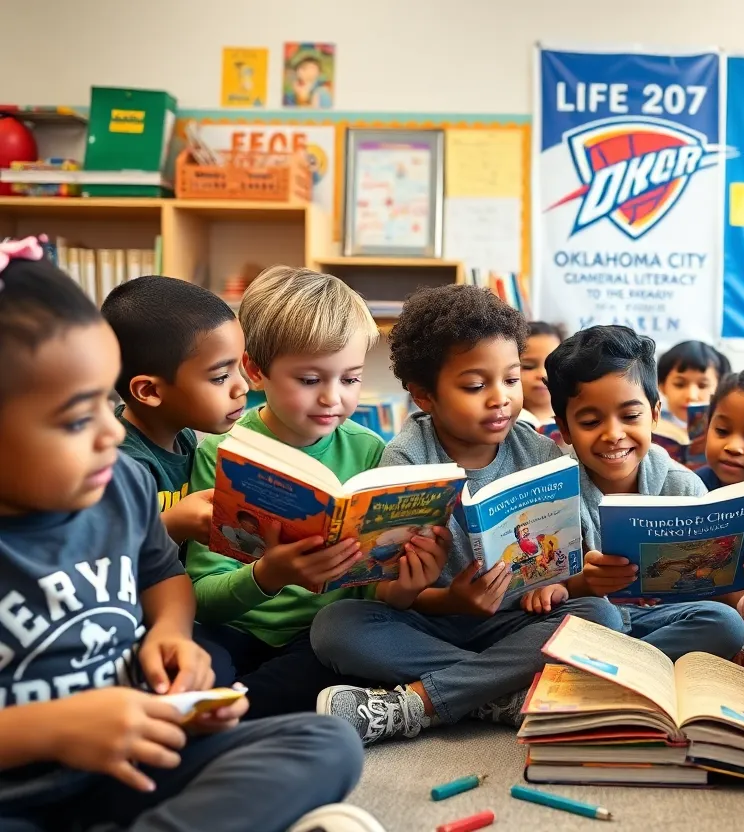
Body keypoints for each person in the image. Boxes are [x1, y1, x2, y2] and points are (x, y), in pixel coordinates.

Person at [0, 240, 376, 832]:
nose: (109, 432)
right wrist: (61, 727)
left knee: (325, 742)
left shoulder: (120, 482)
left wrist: (172, 636)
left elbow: (166, 579)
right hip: (19, 788)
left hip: (131, 756)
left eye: (106, 401)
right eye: (76, 418)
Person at [310, 285, 621, 745]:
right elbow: (390, 595)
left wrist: (556, 585)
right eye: (476, 386)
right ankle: (497, 694)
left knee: (600, 617)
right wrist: (445, 597)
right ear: (424, 395)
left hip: (517, 623)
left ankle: (416, 704)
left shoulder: (540, 452)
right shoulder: (406, 460)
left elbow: (569, 571)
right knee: (336, 627)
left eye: (511, 380)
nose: (499, 398)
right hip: (436, 622)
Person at [186, 266, 426, 719]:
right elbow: (202, 598)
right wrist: (267, 575)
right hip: (233, 625)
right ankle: (230, 714)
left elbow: (367, 591)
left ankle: (232, 715)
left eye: (350, 379)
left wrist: (401, 587)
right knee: (193, 661)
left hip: (319, 636)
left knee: (343, 659)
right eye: (311, 380)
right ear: (256, 371)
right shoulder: (220, 453)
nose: (332, 398)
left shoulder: (371, 450)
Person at [519, 325, 744, 661]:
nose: (613, 434)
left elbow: (712, 587)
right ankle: (631, 665)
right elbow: (543, 583)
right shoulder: (553, 493)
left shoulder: (682, 486)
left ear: (654, 415)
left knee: (725, 624)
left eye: (630, 416)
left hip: (661, 622)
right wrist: (563, 587)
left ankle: (608, 666)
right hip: (589, 618)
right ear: (564, 429)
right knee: (582, 617)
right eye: (590, 422)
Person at [101, 276, 249, 547]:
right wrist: (171, 526)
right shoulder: (119, 465)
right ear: (150, 392)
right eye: (220, 377)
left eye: (239, 367)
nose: (242, 386)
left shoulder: (185, 437)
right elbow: (105, 554)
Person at [656, 339, 731, 435]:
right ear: (661, 386)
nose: (691, 395)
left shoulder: (728, 434)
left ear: (720, 388)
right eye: (679, 384)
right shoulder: (648, 429)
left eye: (702, 385)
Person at [517, 320, 564, 429]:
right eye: (528, 366)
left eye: (553, 366)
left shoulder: (575, 421)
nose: (543, 375)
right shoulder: (503, 420)